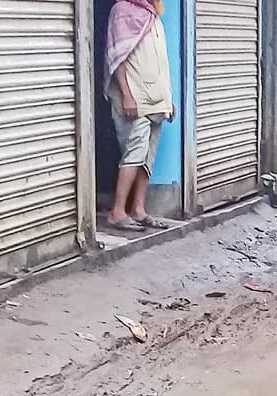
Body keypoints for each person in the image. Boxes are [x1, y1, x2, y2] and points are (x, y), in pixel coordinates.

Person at [105, 0, 175, 231]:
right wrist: (126, 94)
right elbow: (117, 58)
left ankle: (138, 209)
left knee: (148, 157)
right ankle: (117, 211)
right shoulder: (122, 12)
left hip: (156, 98)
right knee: (134, 153)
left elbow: (160, 63)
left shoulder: (152, 15)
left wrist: (168, 99)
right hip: (135, 96)